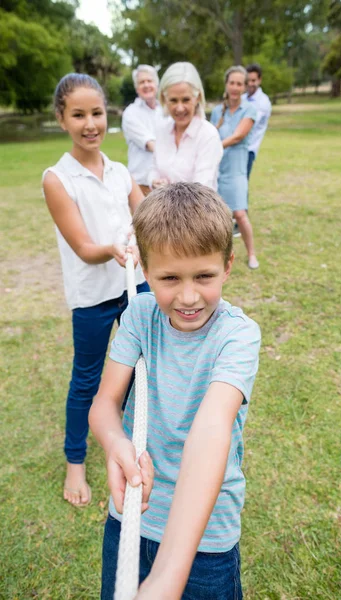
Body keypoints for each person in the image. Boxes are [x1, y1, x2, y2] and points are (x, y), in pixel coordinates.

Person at [89, 182, 261, 600]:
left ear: (228, 265)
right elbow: (105, 404)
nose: (188, 297)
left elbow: (212, 429)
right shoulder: (140, 315)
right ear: (145, 272)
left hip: (204, 540)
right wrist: (116, 443)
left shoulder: (238, 336)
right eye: (169, 278)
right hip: (131, 517)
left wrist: (169, 573)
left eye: (204, 276)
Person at [42, 73, 151, 508]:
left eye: (98, 113)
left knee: (138, 368)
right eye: (79, 114)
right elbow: (86, 248)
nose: (91, 123)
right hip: (93, 296)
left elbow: (145, 218)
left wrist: (146, 233)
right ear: (61, 119)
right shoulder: (57, 178)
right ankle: (74, 462)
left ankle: (130, 441)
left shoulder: (122, 171)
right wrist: (112, 248)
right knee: (87, 379)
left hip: (134, 286)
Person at [211, 66, 259, 269]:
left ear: (245, 86)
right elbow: (211, 134)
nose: (235, 87)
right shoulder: (217, 111)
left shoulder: (249, 110)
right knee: (217, 215)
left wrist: (215, 147)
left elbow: (239, 135)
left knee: (239, 213)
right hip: (217, 169)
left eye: (240, 83)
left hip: (236, 169)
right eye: (232, 82)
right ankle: (217, 257)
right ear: (226, 84)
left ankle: (251, 254)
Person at [149, 62, 223, 190]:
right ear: (164, 99)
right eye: (173, 100)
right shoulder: (162, 131)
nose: (179, 108)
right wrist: (154, 181)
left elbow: (202, 188)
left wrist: (168, 190)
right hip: (163, 209)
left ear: (198, 97)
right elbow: (154, 168)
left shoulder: (208, 135)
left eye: (186, 100)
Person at [122, 65, 164, 196]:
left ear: (156, 84)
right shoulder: (130, 113)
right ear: (136, 88)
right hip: (141, 184)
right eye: (141, 82)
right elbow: (151, 145)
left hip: (164, 183)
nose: (146, 85)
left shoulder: (165, 111)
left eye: (149, 81)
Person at [242, 63, 272, 180]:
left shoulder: (263, 102)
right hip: (236, 148)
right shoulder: (243, 98)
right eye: (248, 80)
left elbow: (248, 127)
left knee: (242, 184)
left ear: (259, 80)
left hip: (249, 150)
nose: (250, 84)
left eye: (253, 80)